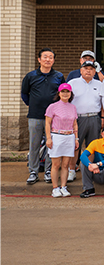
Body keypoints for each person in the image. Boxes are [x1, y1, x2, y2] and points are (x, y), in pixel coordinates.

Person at [21, 48, 65, 184]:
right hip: (36, 116)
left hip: (54, 118)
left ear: (53, 60)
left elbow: (62, 94)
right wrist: (33, 105)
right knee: (34, 144)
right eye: (45, 57)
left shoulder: (58, 76)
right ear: (39, 59)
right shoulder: (30, 76)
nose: (48, 60)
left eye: (51, 57)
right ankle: (33, 172)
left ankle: (48, 171)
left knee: (51, 145)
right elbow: (24, 94)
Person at [68, 60, 104, 181]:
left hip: (94, 117)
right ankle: (72, 170)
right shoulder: (73, 83)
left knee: (92, 146)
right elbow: (66, 100)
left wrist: (103, 118)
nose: (88, 71)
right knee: (75, 146)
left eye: (91, 69)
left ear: (94, 71)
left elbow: (103, 103)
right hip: (78, 118)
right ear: (81, 70)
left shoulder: (99, 84)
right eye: (86, 68)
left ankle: (90, 169)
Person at [44, 83, 78, 197]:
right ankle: (55, 188)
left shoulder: (73, 107)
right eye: (63, 91)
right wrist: (48, 138)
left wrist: (76, 138)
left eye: (67, 91)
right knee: (56, 164)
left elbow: (75, 124)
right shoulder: (52, 106)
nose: (65, 94)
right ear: (59, 93)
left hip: (69, 136)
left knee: (65, 164)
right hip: (57, 136)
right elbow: (47, 123)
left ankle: (64, 187)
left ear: (70, 93)